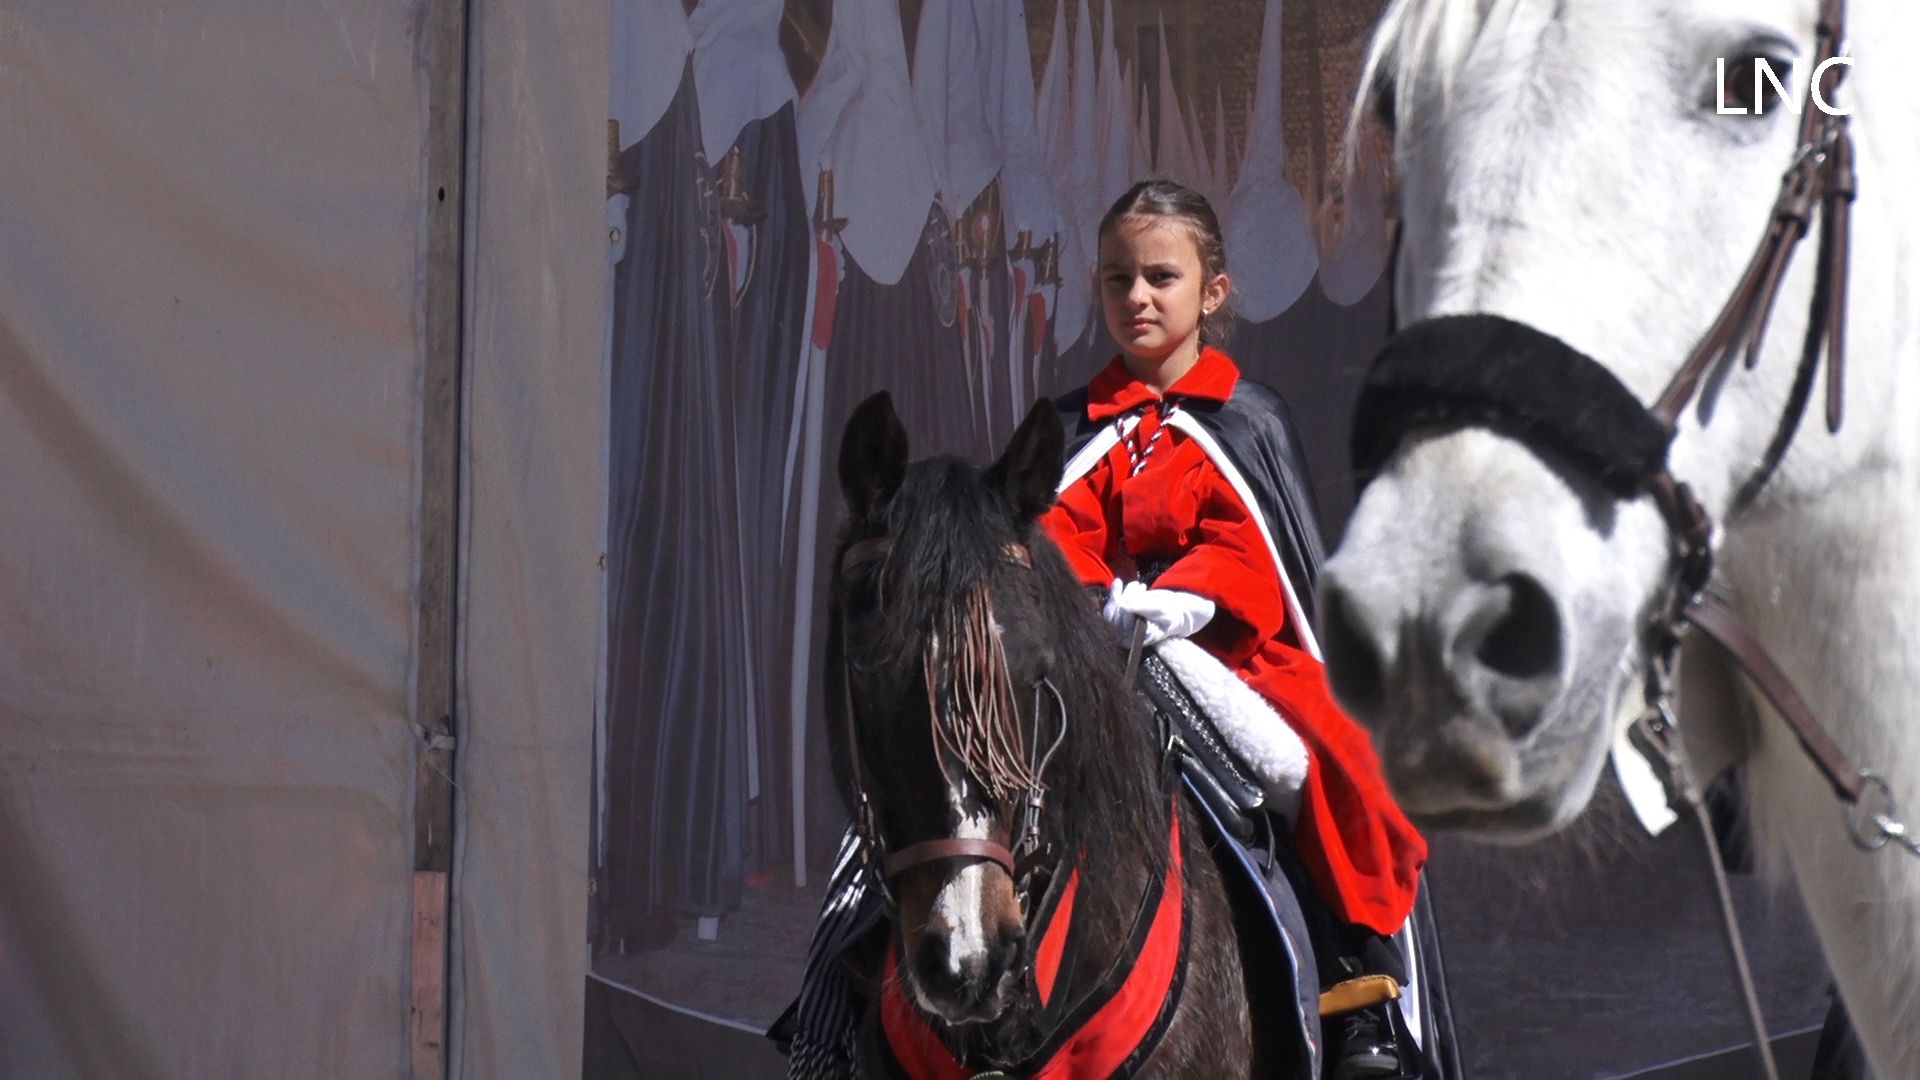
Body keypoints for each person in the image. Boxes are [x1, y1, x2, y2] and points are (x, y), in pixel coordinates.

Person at [1041, 178, 1428, 1079]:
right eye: (1117, 279)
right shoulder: (1072, 423)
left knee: (1319, 770)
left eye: (1160, 277)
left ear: (1212, 291)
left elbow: (1254, 550)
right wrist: (1098, 596)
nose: (1137, 297)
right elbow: (1049, 530)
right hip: (1092, 647)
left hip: (1232, 653)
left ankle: (1357, 989)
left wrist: (1189, 598)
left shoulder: (1246, 418)